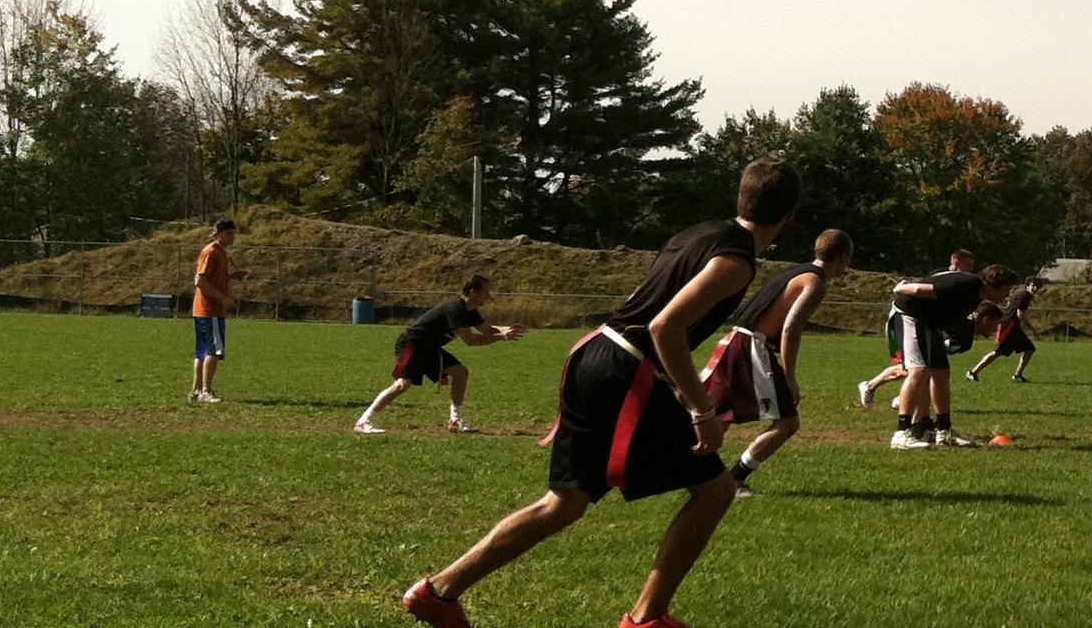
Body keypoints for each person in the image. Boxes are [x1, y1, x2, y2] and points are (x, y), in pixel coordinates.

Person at [402, 158, 799, 628]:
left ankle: (439, 592)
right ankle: (647, 619)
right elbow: (664, 326)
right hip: (627, 369)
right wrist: (700, 408)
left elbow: (646, 303)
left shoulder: (700, 233)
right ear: (788, 216)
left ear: (742, 198)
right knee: (714, 492)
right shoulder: (735, 262)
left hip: (600, 355)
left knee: (565, 503)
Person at [708, 229, 850, 498]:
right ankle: (734, 479)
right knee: (787, 423)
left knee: (719, 417)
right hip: (753, 347)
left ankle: (696, 475)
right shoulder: (816, 283)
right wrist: (791, 376)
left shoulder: (795, 271)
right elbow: (791, 329)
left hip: (735, 340)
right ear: (843, 258)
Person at [354, 275, 529, 434]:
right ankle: (363, 422)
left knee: (461, 372)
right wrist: (503, 337)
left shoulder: (470, 311)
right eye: (485, 292)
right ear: (472, 292)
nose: (489, 296)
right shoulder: (456, 309)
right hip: (413, 345)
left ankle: (455, 421)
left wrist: (508, 329)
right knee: (402, 385)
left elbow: (488, 329)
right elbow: (471, 340)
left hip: (430, 349)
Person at [884, 251, 1018, 449]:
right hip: (909, 315)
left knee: (941, 372)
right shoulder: (968, 284)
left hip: (928, 322)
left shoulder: (976, 296)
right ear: (994, 286)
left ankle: (944, 432)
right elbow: (921, 289)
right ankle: (901, 433)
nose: (1007, 296)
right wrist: (900, 287)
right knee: (919, 371)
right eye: (1006, 290)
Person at [188, 218, 251, 403]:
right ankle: (206, 392)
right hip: (210, 310)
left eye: (234, 233)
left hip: (206, 311)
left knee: (202, 352)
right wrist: (222, 298)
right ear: (218, 233)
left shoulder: (221, 252)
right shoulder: (211, 252)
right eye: (229, 233)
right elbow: (200, 281)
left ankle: (196, 391)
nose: (233, 237)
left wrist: (234, 275)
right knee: (213, 351)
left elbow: (215, 277)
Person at [967, 276, 1044, 382]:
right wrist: (1032, 330)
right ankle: (973, 372)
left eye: (1037, 286)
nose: (1035, 288)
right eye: (1033, 285)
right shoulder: (1025, 295)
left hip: (1011, 325)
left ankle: (1018, 375)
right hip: (1010, 326)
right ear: (1027, 285)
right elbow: (1020, 314)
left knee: (1029, 348)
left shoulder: (1019, 293)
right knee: (998, 352)